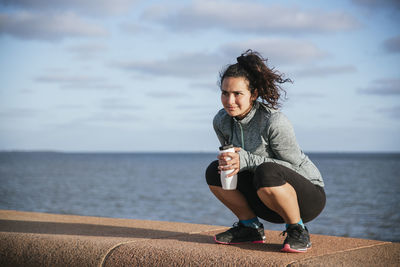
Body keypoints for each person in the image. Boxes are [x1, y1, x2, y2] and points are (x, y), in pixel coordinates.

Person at [205, 50, 326, 253]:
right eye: (225, 93)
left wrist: (248, 160)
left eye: (237, 94)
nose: (229, 100)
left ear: (253, 95)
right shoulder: (221, 121)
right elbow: (237, 162)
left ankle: (298, 230)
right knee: (215, 170)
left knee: (266, 171)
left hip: (307, 197)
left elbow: (296, 168)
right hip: (264, 196)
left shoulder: (274, 122)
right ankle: (250, 228)